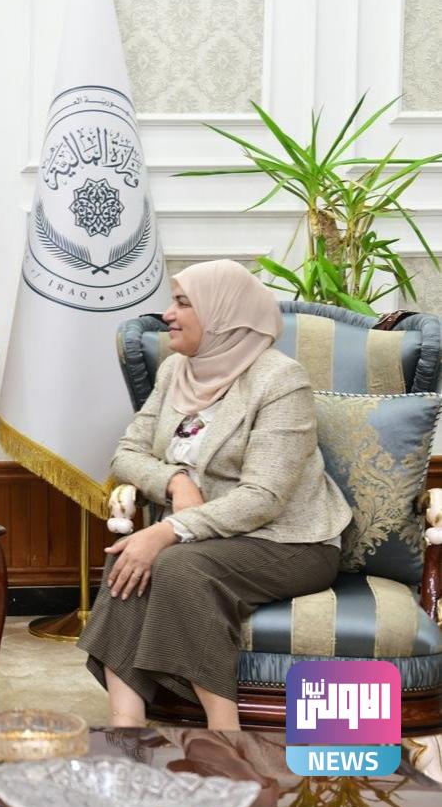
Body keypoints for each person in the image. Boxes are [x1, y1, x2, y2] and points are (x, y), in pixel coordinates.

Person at [77, 259, 352, 731]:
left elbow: (264, 497)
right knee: (129, 557)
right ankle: (126, 731)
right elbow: (126, 454)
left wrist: (168, 530)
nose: (167, 314)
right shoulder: (174, 371)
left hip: (290, 541)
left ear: (223, 314)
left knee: (175, 565)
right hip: (206, 537)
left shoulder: (280, 380)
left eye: (183, 303)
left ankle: (225, 736)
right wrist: (175, 482)